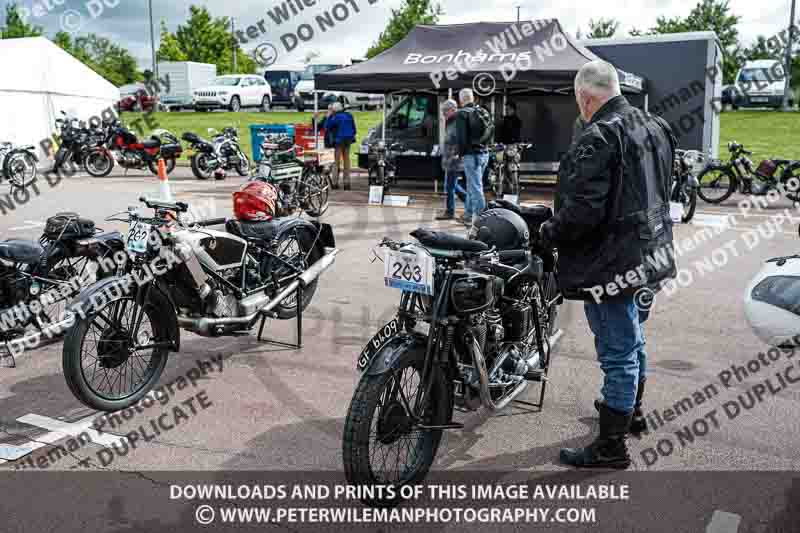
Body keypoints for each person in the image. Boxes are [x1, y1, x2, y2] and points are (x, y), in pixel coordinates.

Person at [539, 60, 677, 469]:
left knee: (618, 350)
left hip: (613, 264)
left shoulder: (599, 134)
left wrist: (548, 232)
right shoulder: (656, 126)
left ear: (585, 97)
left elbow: (582, 212)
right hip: (652, 255)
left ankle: (611, 445)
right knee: (634, 338)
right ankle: (630, 412)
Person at [455, 88, 490, 227]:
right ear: (473, 98)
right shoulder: (483, 111)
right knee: (472, 185)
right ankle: (468, 214)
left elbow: (461, 138)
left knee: (475, 188)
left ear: (460, 100)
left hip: (471, 155)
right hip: (484, 153)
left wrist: (460, 155)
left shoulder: (461, 114)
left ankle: (482, 220)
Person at [435, 99, 466, 220]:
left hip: (454, 159)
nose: (443, 114)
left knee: (450, 186)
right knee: (452, 185)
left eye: (445, 111)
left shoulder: (456, 121)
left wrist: (455, 154)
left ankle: (450, 211)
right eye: (442, 111)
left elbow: (459, 139)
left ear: (453, 110)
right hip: (451, 158)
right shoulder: (451, 121)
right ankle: (470, 202)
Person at [324, 102, 357, 190]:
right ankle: (347, 183)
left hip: (339, 140)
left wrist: (328, 117)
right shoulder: (349, 115)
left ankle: (335, 183)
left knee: (336, 161)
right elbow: (354, 129)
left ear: (334, 110)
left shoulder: (336, 117)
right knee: (347, 161)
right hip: (348, 140)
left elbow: (327, 126)